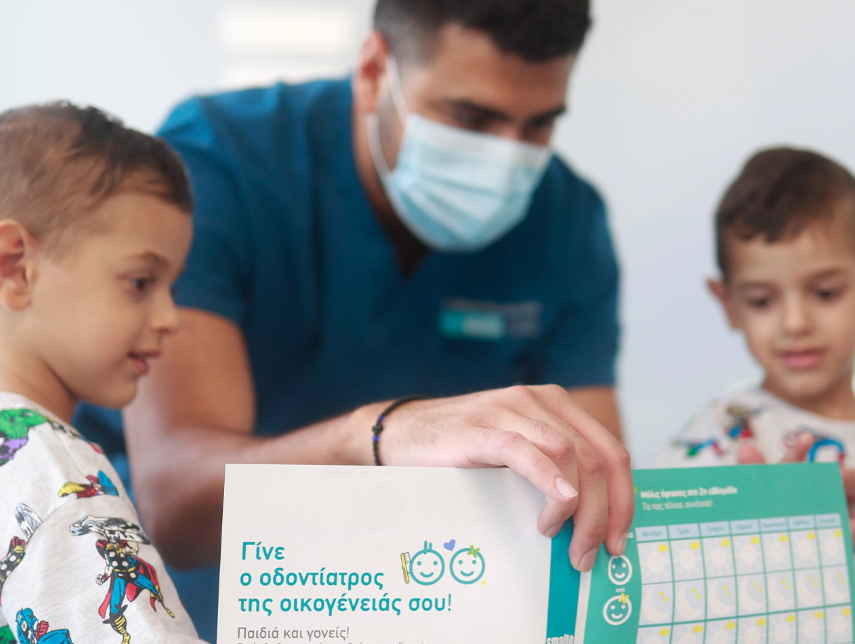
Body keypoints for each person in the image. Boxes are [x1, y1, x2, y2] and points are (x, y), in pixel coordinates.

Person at [75, 1, 635, 638]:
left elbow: (592, 486)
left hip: (428, 602)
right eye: (469, 118)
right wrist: (380, 436)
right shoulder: (220, 165)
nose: (506, 159)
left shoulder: (565, 219)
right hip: (202, 605)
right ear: (372, 72)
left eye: (538, 125)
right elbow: (177, 509)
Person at [0, 103, 206, 642]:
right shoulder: (57, 475)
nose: (169, 318)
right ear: (16, 266)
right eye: (141, 282)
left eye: (173, 287)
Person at [658, 147, 855, 471]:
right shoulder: (720, 435)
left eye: (825, 293)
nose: (795, 323)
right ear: (729, 304)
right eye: (761, 301)